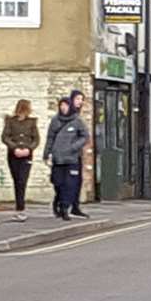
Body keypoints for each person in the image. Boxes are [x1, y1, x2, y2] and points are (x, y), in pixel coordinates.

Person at [43, 95, 90, 221]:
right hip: (58, 158)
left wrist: (74, 147)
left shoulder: (77, 120)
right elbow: (50, 138)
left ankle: (65, 208)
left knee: (69, 184)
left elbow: (85, 136)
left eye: (66, 105)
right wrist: (46, 154)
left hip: (71, 158)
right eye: (61, 105)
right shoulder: (55, 120)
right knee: (58, 183)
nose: (63, 108)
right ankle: (57, 202)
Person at [0, 99, 39, 222]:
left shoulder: (32, 122)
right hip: (13, 154)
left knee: (22, 180)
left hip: (27, 155)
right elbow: (5, 137)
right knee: (17, 180)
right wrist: (14, 148)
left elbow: (36, 139)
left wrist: (29, 149)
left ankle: (20, 209)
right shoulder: (11, 122)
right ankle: (18, 208)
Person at [67, 90, 90, 218]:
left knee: (77, 180)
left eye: (81, 99)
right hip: (67, 154)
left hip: (76, 154)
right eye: (77, 99)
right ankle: (65, 206)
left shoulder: (77, 115)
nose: (80, 102)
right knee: (69, 181)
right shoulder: (68, 115)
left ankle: (75, 206)